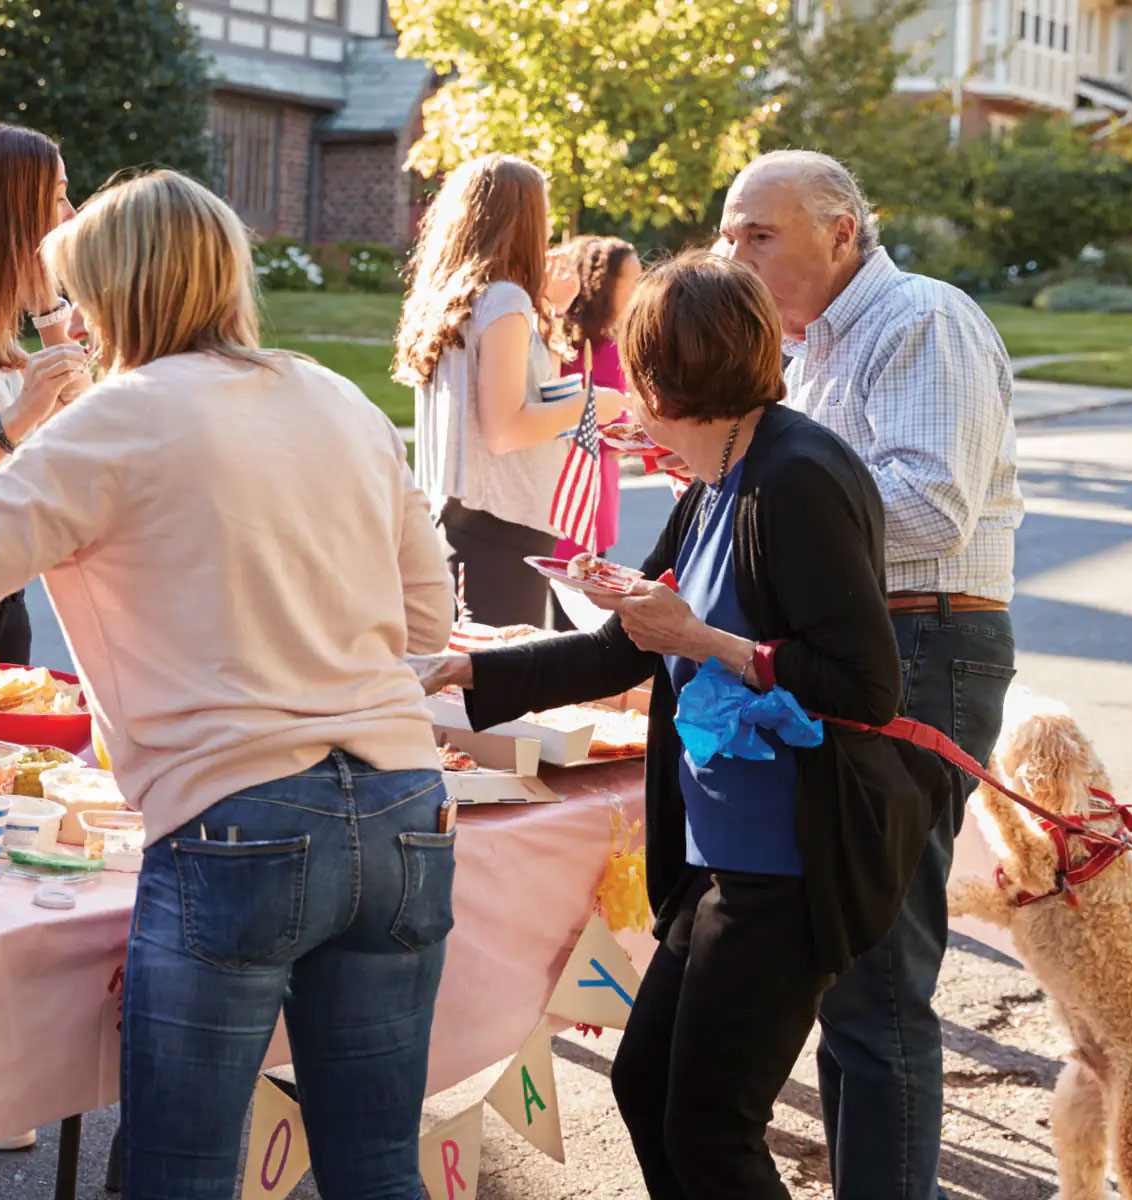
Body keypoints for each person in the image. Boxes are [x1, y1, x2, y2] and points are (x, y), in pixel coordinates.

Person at [415, 252, 949, 1198]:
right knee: (647, 1082)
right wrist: (472, 670)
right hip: (717, 856)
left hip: (788, 863)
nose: (620, 383)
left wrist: (703, 639)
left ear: (662, 378)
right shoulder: (717, 475)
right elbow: (631, 642)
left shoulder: (796, 477)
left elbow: (865, 686)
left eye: (631, 364)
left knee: (710, 1127)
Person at [0, 170, 456, 1199]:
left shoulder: (112, 419)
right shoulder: (335, 395)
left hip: (238, 814)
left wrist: (17, 431)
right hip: (404, 799)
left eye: (76, 296)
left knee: (179, 1176)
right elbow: (428, 621)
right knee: (377, 1167)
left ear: (110, 295)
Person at [719, 148, 1022, 1199]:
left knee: (882, 979)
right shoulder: (807, 352)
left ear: (841, 232)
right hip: (866, 648)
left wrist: (774, 520)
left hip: (924, 645)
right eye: (729, 232)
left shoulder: (920, 320)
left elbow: (933, 510)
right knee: (852, 971)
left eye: (760, 233)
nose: (734, 253)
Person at [396, 154, 623, 628]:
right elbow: (505, 428)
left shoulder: (461, 297)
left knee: (463, 681)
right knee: (492, 689)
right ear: (523, 218)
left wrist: (552, 313)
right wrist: (591, 405)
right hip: (498, 525)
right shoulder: (504, 299)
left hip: (464, 521)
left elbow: (522, 389)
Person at [0, 122, 89, 666]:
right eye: (57, 197)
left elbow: (85, 423)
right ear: (10, 212)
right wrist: (18, 417)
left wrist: (49, 314)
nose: (71, 216)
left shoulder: (1, 336)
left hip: (6, 602)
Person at [554, 234, 642, 562]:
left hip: (596, 486)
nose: (638, 291)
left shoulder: (609, 341)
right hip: (573, 486)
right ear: (603, 285)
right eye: (630, 281)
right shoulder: (576, 345)